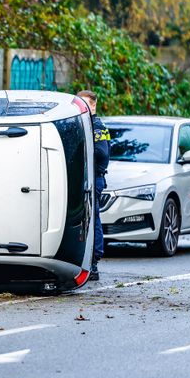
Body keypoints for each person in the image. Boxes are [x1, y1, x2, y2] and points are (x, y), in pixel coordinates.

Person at [77, 90, 109, 281]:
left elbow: (101, 153)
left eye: (84, 103)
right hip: (86, 177)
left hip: (94, 177)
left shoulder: (96, 127)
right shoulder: (85, 124)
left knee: (93, 218)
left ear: (93, 105)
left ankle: (94, 263)